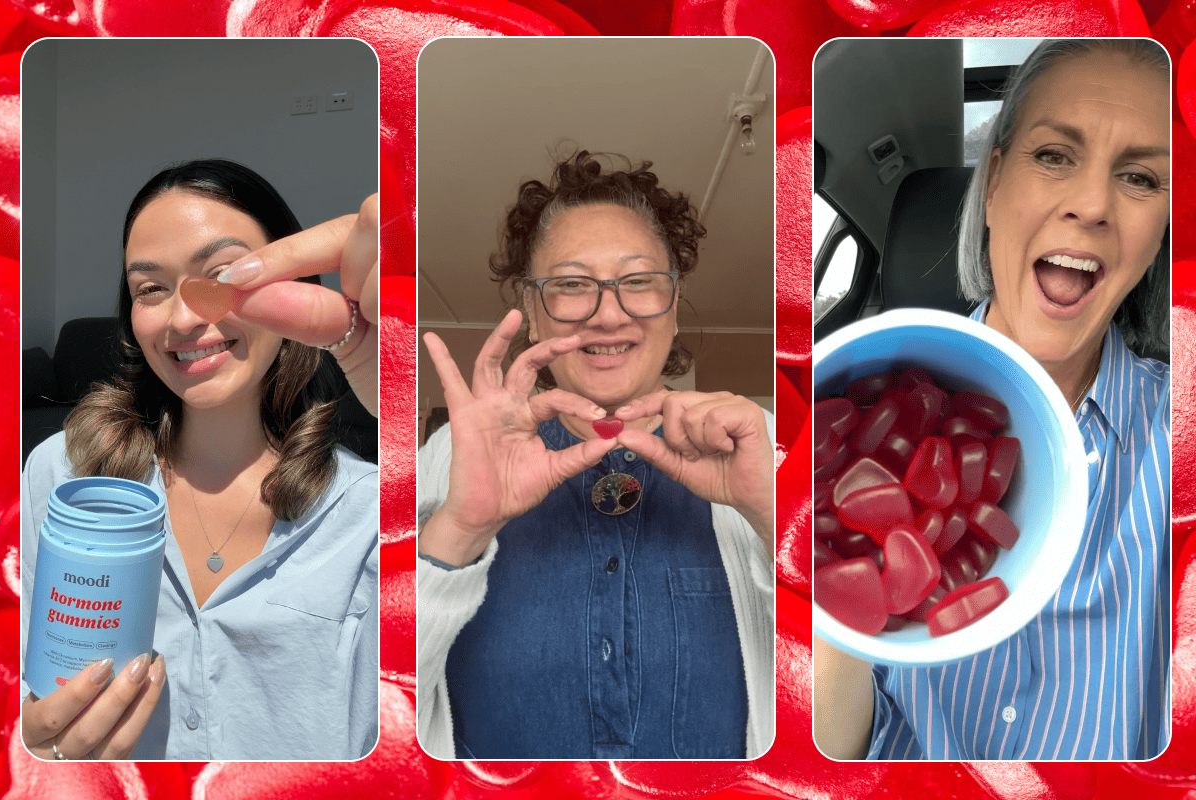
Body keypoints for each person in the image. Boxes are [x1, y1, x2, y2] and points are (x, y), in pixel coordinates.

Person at [813, 39, 1170, 760]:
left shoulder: (1178, 436)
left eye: (1138, 177)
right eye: (1053, 156)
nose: (1093, 205)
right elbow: (833, 754)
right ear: (996, 182)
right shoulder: (845, 402)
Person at [417, 151, 775, 759]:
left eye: (638, 282)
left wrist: (773, 516)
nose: (608, 314)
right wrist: (458, 532)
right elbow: (373, 701)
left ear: (673, 301)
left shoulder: (758, 447)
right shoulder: (443, 459)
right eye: (571, 285)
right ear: (532, 312)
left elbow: (841, 691)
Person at [20, 159, 380, 760]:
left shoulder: (371, 510)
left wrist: (393, 386)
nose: (184, 317)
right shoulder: (62, 475)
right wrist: (29, 757)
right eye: (151, 289)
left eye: (221, 274)